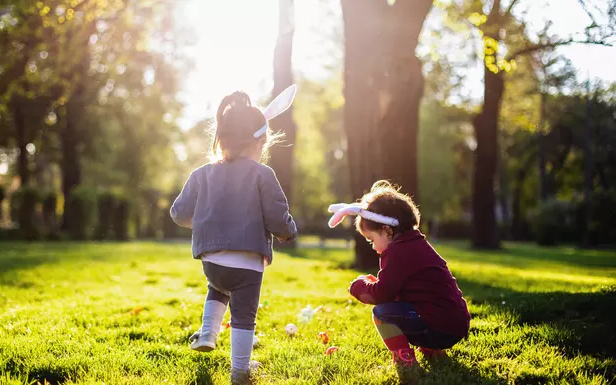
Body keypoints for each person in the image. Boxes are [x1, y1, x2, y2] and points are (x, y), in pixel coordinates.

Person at [170, 90, 298, 384]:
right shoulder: (263, 174)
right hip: (248, 265)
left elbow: (178, 213)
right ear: (261, 141)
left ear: (222, 137)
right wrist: (288, 233)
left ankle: (207, 333)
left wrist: (203, 222)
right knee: (243, 315)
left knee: (217, 287)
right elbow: (277, 216)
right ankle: (240, 370)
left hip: (212, 262)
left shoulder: (202, 174)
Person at [327, 181, 470, 370]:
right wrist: (379, 284)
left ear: (387, 230)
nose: (373, 246)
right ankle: (432, 349)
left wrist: (359, 287)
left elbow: (381, 295)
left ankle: (405, 359)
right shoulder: (415, 243)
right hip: (455, 323)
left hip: (440, 328)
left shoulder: (397, 251)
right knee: (408, 307)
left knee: (382, 314)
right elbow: (408, 289)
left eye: (372, 240)